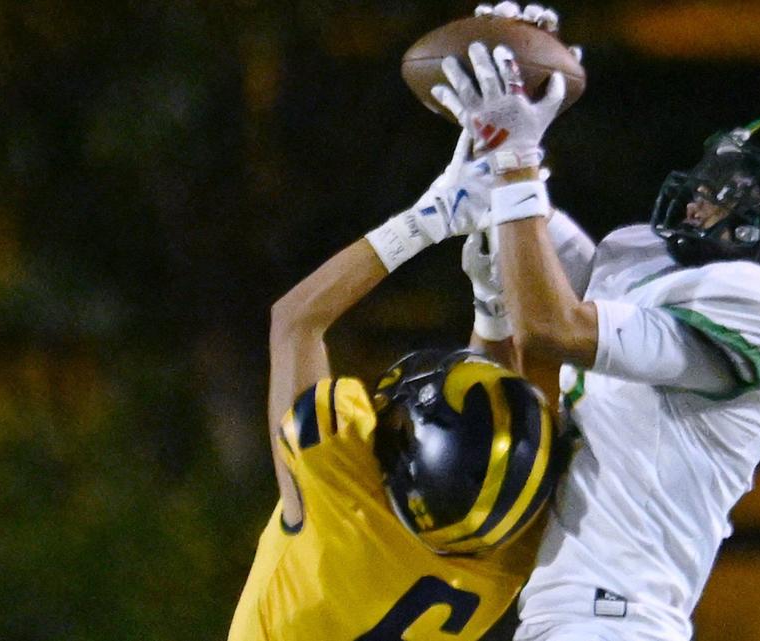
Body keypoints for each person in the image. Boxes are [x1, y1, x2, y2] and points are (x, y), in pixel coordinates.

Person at [432, 14, 760, 641]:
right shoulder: (652, 262)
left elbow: (549, 325)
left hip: (614, 620)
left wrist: (514, 159)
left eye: (737, 190)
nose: (707, 193)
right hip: (570, 619)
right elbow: (527, 233)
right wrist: (506, 106)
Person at [226, 125, 563, 641]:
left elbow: (295, 320)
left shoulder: (339, 508)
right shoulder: (501, 552)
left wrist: (431, 219)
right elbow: (494, 444)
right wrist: (493, 309)